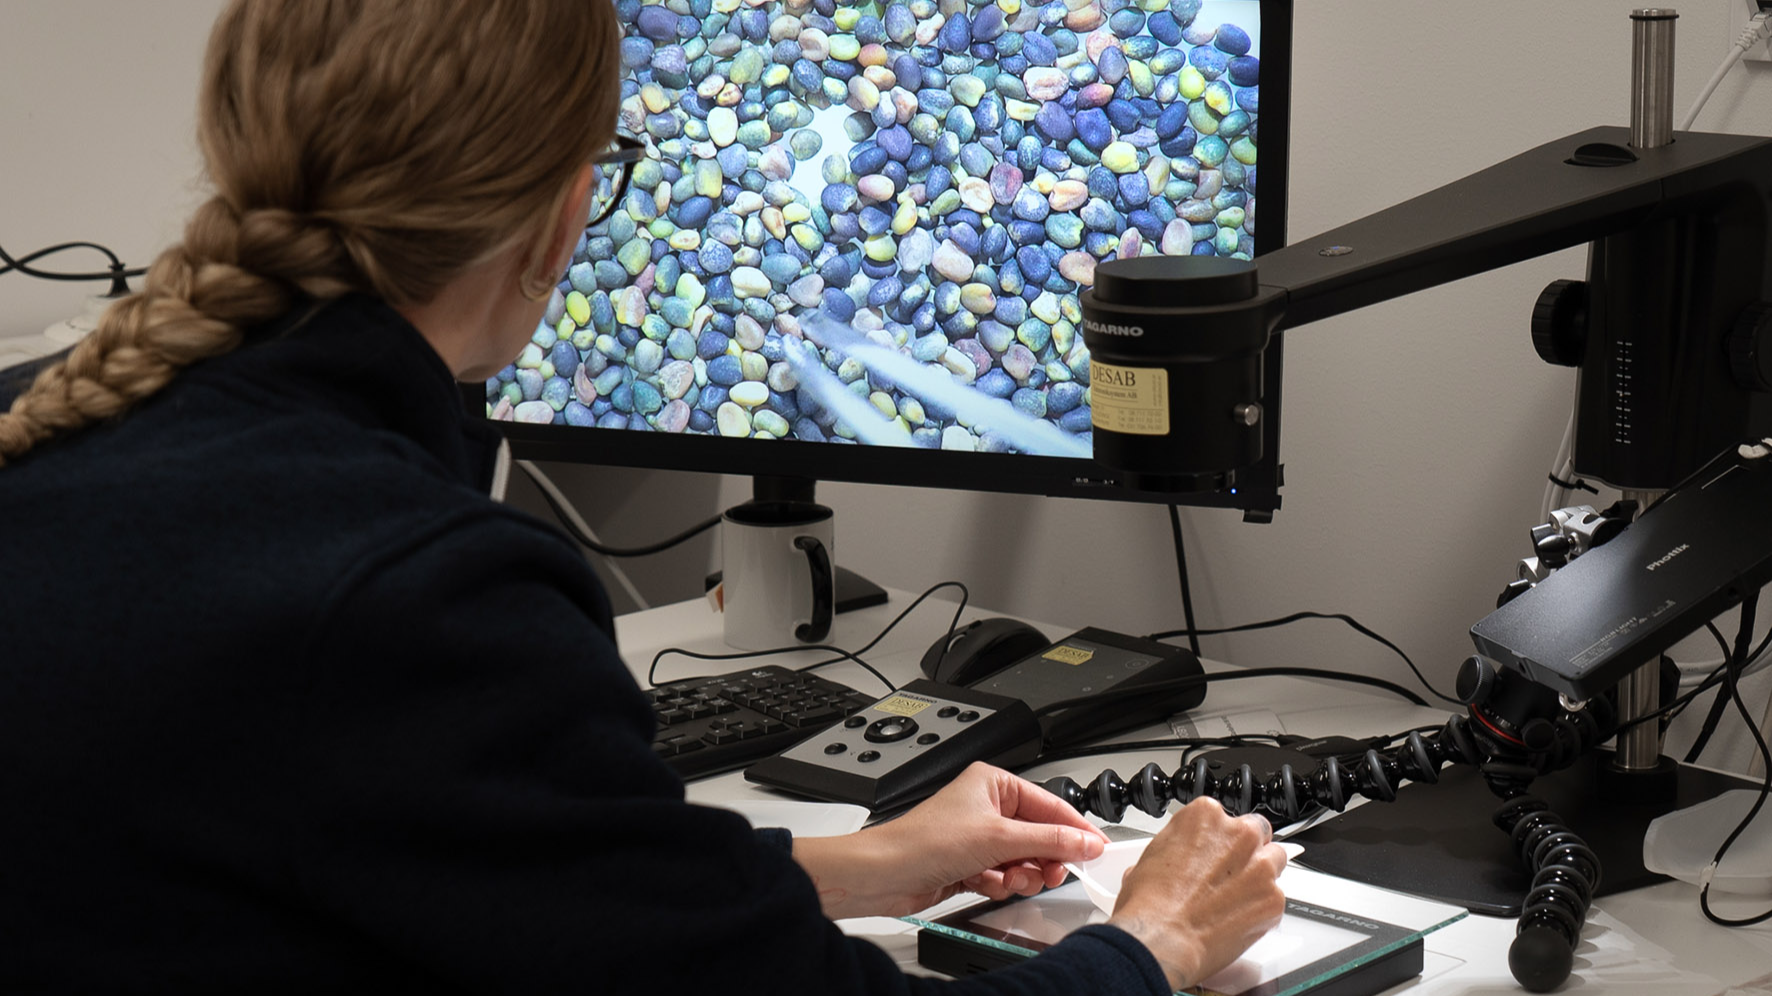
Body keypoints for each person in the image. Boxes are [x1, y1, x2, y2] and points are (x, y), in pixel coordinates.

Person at [0, 2, 1287, 993]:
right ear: (564, 217)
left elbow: (471, 860)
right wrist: (1150, 943)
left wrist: (853, 866)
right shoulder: (422, 597)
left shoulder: (75, 433)